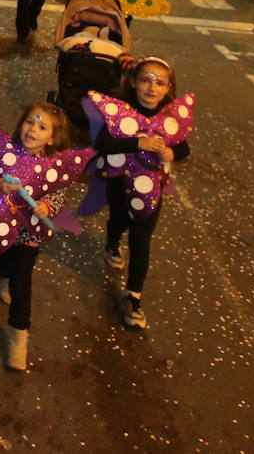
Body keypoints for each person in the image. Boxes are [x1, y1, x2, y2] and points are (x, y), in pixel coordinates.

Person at [0, 105, 92, 371]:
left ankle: (19, 333)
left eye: (42, 127)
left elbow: (57, 193)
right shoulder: (4, 153)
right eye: (30, 122)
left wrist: (47, 207)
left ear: (53, 138)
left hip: (29, 232)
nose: (33, 129)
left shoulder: (52, 165)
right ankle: (4, 276)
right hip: (2, 226)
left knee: (22, 280)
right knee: (3, 265)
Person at [83, 57, 194, 331]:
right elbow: (102, 142)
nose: (151, 88)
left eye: (159, 82)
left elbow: (183, 147)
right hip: (120, 183)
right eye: (145, 80)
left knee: (142, 238)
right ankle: (112, 241)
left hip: (151, 188)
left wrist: (171, 152)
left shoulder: (170, 117)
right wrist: (137, 142)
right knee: (119, 220)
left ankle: (134, 296)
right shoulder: (122, 109)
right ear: (133, 82)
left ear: (168, 88)